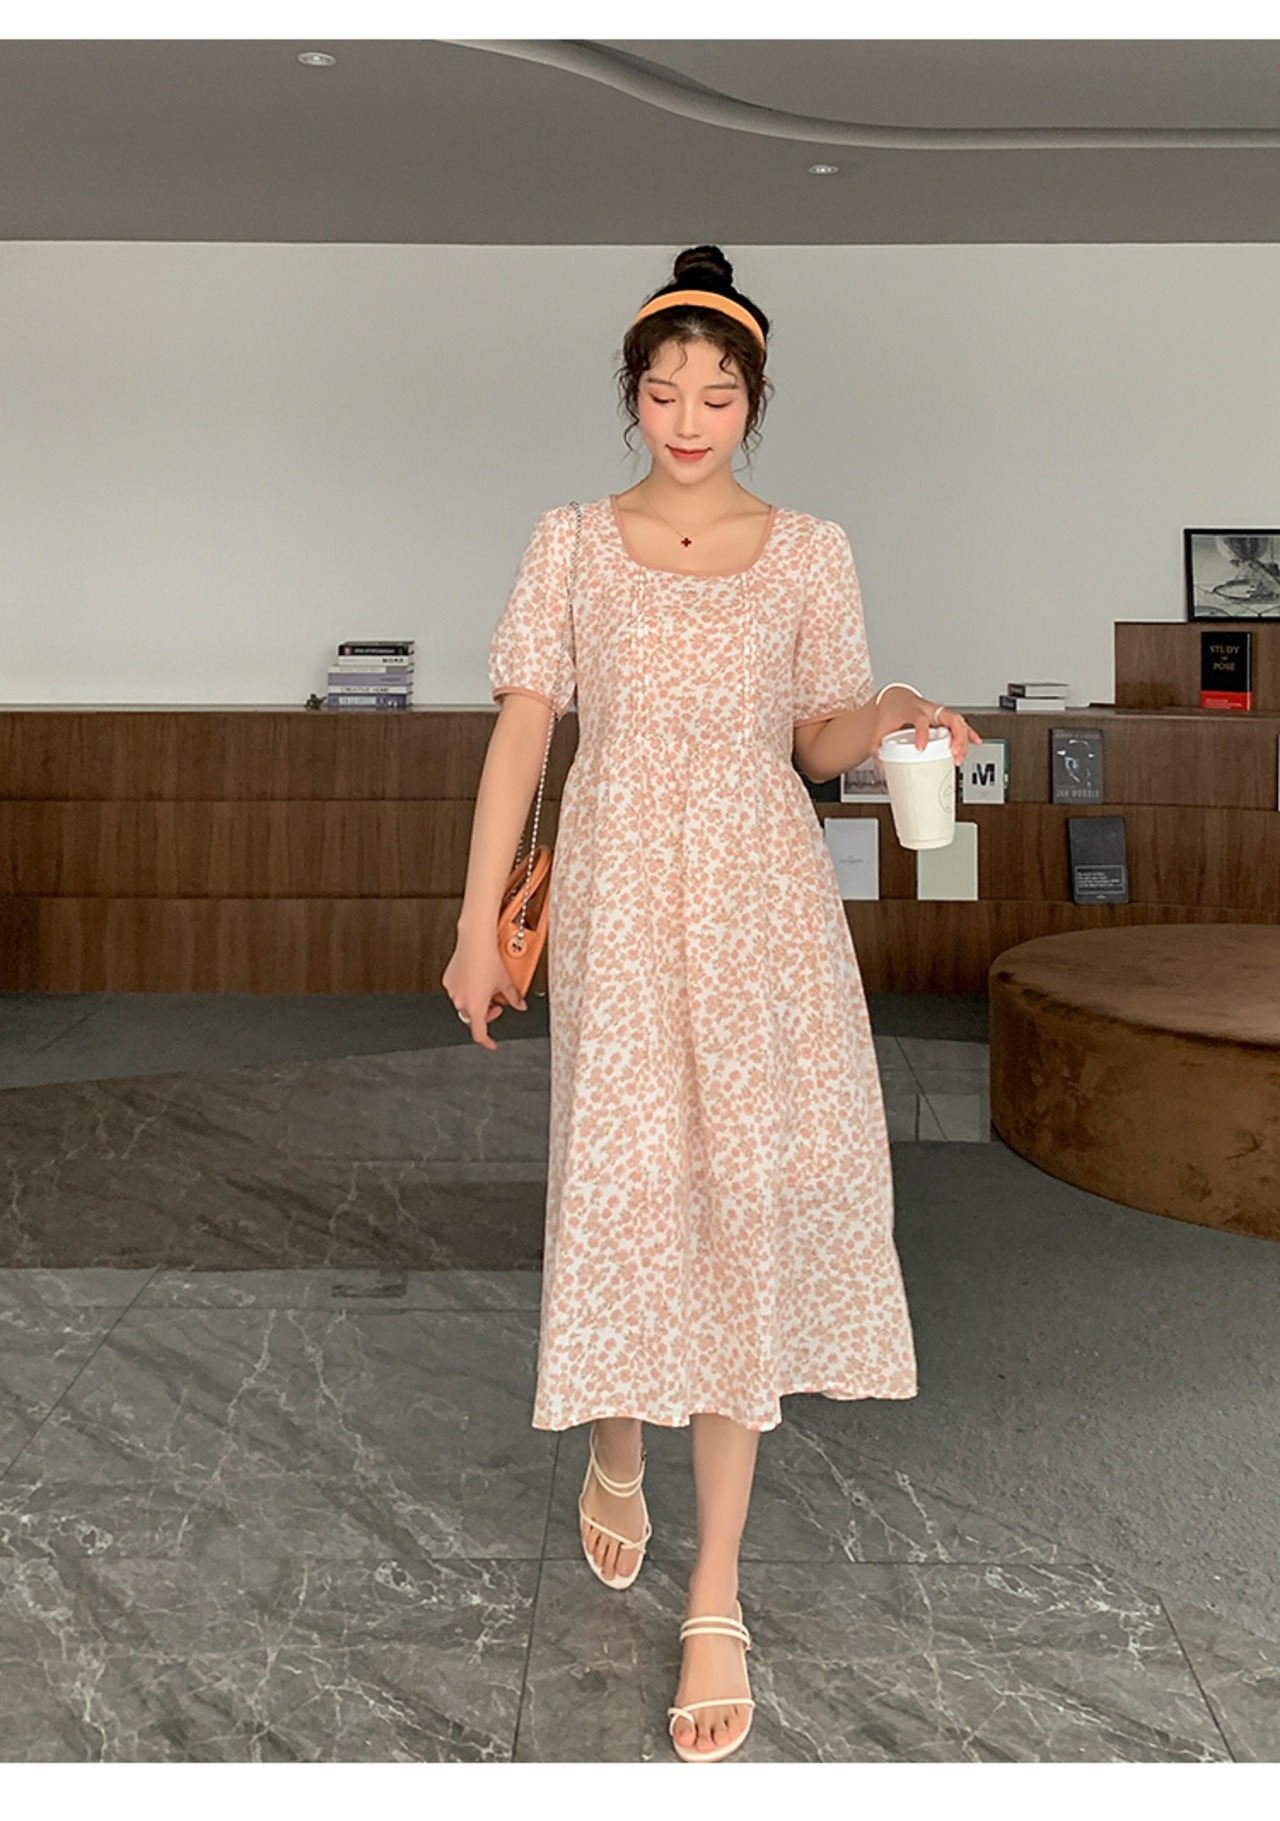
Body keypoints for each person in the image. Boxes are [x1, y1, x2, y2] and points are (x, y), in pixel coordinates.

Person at [442, 245, 981, 1763]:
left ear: (754, 402)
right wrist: (476, 924)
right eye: (666, 392)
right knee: (624, 1191)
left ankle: (717, 1591)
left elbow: (818, 739)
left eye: (718, 394)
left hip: (760, 905)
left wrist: (893, 711)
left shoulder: (809, 548)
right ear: (634, 396)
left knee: (740, 1201)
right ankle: (617, 1438)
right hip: (619, 901)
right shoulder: (572, 540)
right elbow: (524, 736)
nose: (690, 419)